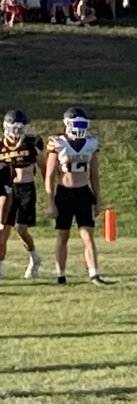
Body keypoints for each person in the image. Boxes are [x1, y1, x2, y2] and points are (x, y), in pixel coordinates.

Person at [44, 107, 106, 285]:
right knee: (63, 235)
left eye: (82, 124)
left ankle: (94, 273)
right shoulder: (58, 143)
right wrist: (51, 202)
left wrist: (97, 198)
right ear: (67, 124)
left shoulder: (91, 143)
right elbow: (49, 175)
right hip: (64, 193)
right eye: (76, 124)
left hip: (83, 193)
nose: (80, 128)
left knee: (87, 234)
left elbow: (94, 174)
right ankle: (60, 274)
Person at [0, 110, 44, 279]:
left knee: (21, 230)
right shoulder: (1, 145)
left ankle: (34, 257)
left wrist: (49, 189)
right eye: (14, 128)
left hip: (26, 189)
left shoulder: (32, 142)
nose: (17, 132)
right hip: (6, 190)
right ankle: (1, 268)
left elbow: (43, 166)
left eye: (20, 128)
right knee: (3, 230)